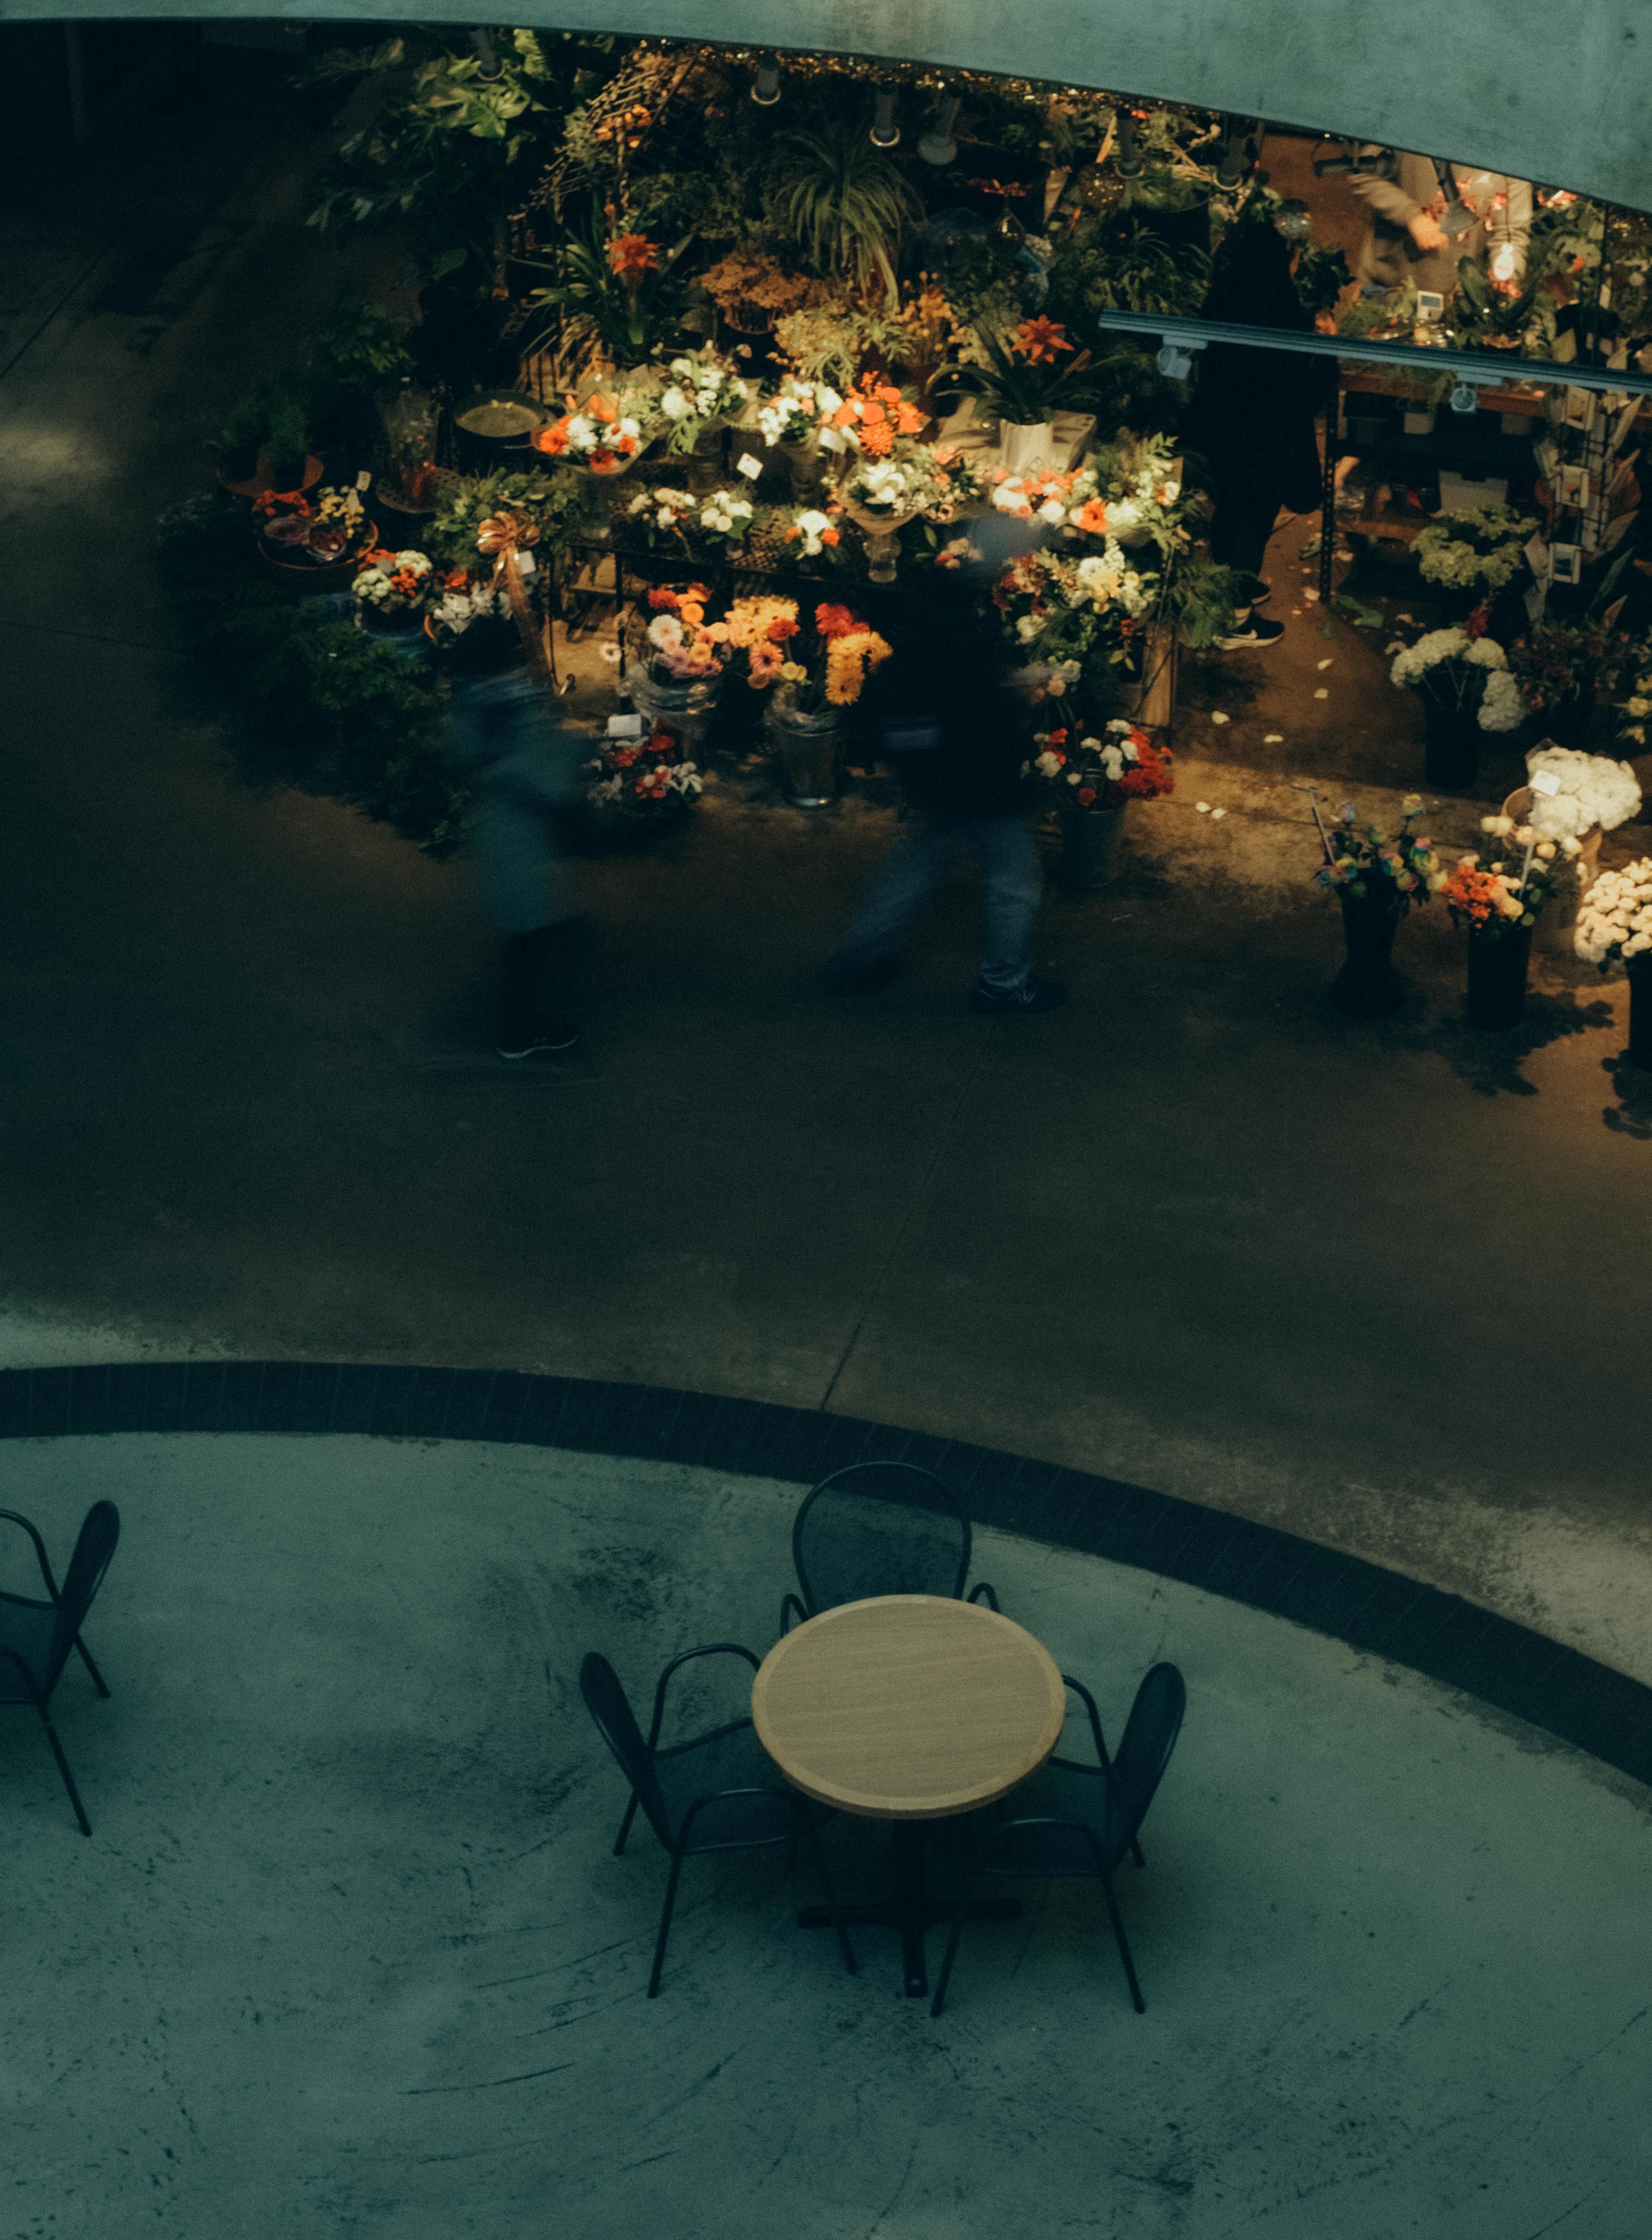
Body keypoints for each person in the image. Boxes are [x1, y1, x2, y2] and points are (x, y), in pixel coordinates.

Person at [825, 558, 1065, 1015]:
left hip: (936, 781)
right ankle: (1005, 985)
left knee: (915, 867)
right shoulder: (969, 647)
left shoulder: (914, 650)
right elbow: (986, 711)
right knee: (1013, 882)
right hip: (984, 785)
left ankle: (858, 959)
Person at [443, 614, 592, 1060]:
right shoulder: (514, 706)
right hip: (521, 835)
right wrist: (582, 752)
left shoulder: (473, 700)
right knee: (531, 935)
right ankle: (521, 1032)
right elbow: (543, 775)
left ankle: (521, 1024)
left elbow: (462, 755)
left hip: (498, 829)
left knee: (526, 933)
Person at [1183, 215, 1331, 652]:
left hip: (1219, 429)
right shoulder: (1280, 311)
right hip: (1264, 439)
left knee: (1229, 506)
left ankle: (1230, 587)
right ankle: (1235, 620)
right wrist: (1326, 348)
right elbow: (1304, 393)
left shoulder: (1225, 292)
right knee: (1254, 518)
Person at [1348, 150, 1532, 303]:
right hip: (1388, 285)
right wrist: (1411, 216)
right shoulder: (1410, 114)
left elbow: (1511, 234)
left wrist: (1505, 276)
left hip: (1457, 301)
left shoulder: (1510, 149)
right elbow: (1361, 171)